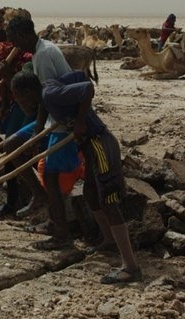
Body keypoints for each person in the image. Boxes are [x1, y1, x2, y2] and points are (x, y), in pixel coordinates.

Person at [11, 69, 142, 284]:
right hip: (90, 146)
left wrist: (81, 121)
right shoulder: (47, 92)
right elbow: (80, 75)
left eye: (20, 98)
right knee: (91, 193)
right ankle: (109, 240)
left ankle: (131, 267)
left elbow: (87, 87)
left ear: (29, 91)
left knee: (108, 201)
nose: (20, 103)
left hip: (99, 143)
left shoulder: (50, 94)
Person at [1, 16, 81, 249]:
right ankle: (39, 195)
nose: (14, 46)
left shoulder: (44, 55)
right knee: (11, 146)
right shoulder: (38, 52)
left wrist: (38, 129)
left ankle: (61, 234)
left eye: (15, 40)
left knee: (52, 177)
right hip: (51, 117)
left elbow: (49, 96)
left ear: (24, 35)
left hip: (62, 119)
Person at [0, 3, 48, 219]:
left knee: (16, 150)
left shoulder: (15, 47)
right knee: (10, 150)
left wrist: (7, 80)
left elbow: (26, 82)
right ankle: (18, 200)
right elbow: (7, 84)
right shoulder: (3, 47)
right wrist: (4, 106)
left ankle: (31, 198)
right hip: (17, 103)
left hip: (33, 105)